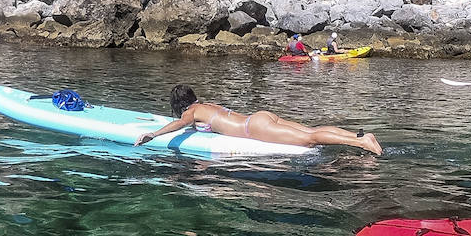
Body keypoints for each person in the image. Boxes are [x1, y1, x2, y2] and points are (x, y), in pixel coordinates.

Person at [134, 85, 382, 155]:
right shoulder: (207, 105)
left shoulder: (192, 112)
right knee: (311, 129)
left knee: (309, 139)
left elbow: (180, 123)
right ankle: (358, 136)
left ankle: (361, 144)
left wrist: (153, 134)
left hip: (254, 128)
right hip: (259, 116)